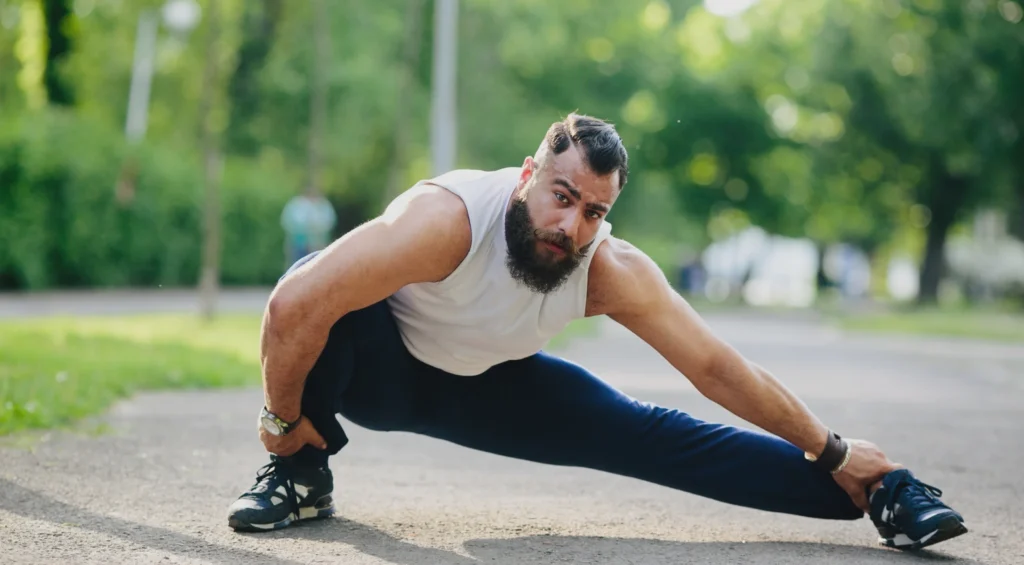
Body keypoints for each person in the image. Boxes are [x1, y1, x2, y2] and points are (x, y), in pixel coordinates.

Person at [227, 113, 967, 551]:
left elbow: (714, 366)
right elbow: (294, 304)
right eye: (561, 196)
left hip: (488, 387)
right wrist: (282, 424)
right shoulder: (445, 220)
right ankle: (298, 475)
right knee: (335, 301)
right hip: (376, 371)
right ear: (526, 175)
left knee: (644, 431)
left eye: (592, 211)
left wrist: (832, 447)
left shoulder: (611, 268)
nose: (569, 224)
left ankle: (878, 493)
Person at [280, 185, 337, 267]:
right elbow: (288, 222)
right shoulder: (296, 204)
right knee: (296, 265)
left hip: (318, 243)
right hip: (298, 242)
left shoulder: (323, 205)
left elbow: (329, 223)